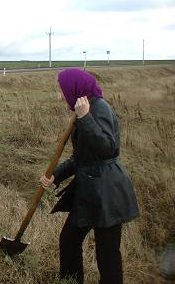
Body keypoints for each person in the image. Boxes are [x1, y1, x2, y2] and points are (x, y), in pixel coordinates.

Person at [39, 68, 139, 284]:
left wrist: (85, 119)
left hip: (107, 192)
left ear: (74, 87)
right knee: (69, 240)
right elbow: (80, 157)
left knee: (107, 253)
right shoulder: (84, 108)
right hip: (89, 191)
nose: (60, 93)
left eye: (61, 88)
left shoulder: (99, 108)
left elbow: (108, 149)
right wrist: (55, 176)